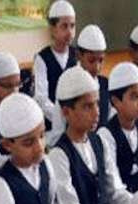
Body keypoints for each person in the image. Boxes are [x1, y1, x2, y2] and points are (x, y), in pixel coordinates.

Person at [50, 67, 131, 204]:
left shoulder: (99, 142)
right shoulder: (59, 155)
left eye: (97, 104)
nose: (96, 113)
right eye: (87, 106)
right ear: (66, 112)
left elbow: (115, 192)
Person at [98, 62, 138, 193]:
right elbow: (114, 187)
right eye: (134, 97)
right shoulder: (106, 135)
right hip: (119, 202)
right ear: (116, 101)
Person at [48, 24, 111, 146]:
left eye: (101, 60)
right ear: (78, 55)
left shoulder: (106, 85)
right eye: (91, 60)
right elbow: (58, 132)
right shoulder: (67, 83)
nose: (97, 67)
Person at [33, 0, 77, 130]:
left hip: (75, 123)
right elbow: (41, 99)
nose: (69, 32)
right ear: (52, 29)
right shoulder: (42, 58)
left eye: (72, 26)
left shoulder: (77, 55)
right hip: (51, 127)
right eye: (64, 26)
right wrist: (63, 119)